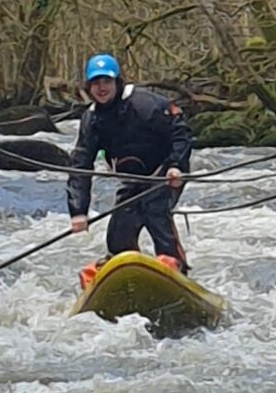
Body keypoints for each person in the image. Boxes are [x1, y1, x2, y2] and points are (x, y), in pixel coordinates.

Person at [66, 52, 193, 269]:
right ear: (89, 87)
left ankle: (176, 265)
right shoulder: (91, 120)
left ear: (117, 82)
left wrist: (176, 166)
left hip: (165, 172)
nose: (101, 88)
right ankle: (126, 270)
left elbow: (180, 134)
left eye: (107, 81)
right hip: (132, 179)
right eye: (96, 83)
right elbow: (81, 166)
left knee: (154, 208)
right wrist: (78, 211)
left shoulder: (146, 104)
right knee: (119, 231)